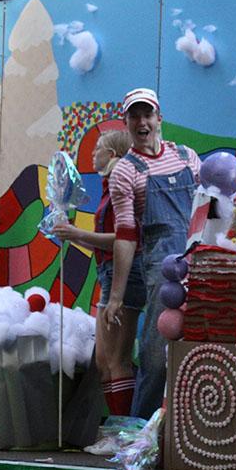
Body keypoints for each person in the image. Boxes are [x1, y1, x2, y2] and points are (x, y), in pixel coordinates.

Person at [105, 87, 200, 419]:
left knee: (199, 347)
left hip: (200, 264)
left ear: (159, 118)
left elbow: (211, 210)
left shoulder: (188, 157)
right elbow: (126, 236)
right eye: (134, 116)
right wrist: (116, 296)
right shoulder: (125, 172)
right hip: (161, 271)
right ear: (126, 123)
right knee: (155, 356)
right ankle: (137, 433)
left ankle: (186, 432)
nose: (142, 122)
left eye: (148, 114)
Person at [52, 129, 147, 418]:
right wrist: (71, 236)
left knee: (117, 359)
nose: (93, 154)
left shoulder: (123, 185)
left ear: (113, 155)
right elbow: (108, 238)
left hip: (126, 273)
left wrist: (77, 232)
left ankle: (125, 429)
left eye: (98, 149)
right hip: (108, 271)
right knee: (104, 361)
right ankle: (118, 426)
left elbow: (127, 238)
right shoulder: (109, 187)